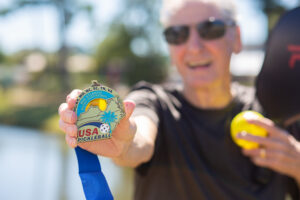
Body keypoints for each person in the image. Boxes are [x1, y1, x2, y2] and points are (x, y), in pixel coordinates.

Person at [58, 0, 300, 199]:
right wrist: (124, 143)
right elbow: (138, 138)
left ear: (236, 38)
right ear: (170, 50)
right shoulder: (154, 102)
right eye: (177, 34)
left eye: (210, 29)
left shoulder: (278, 109)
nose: (194, 46)